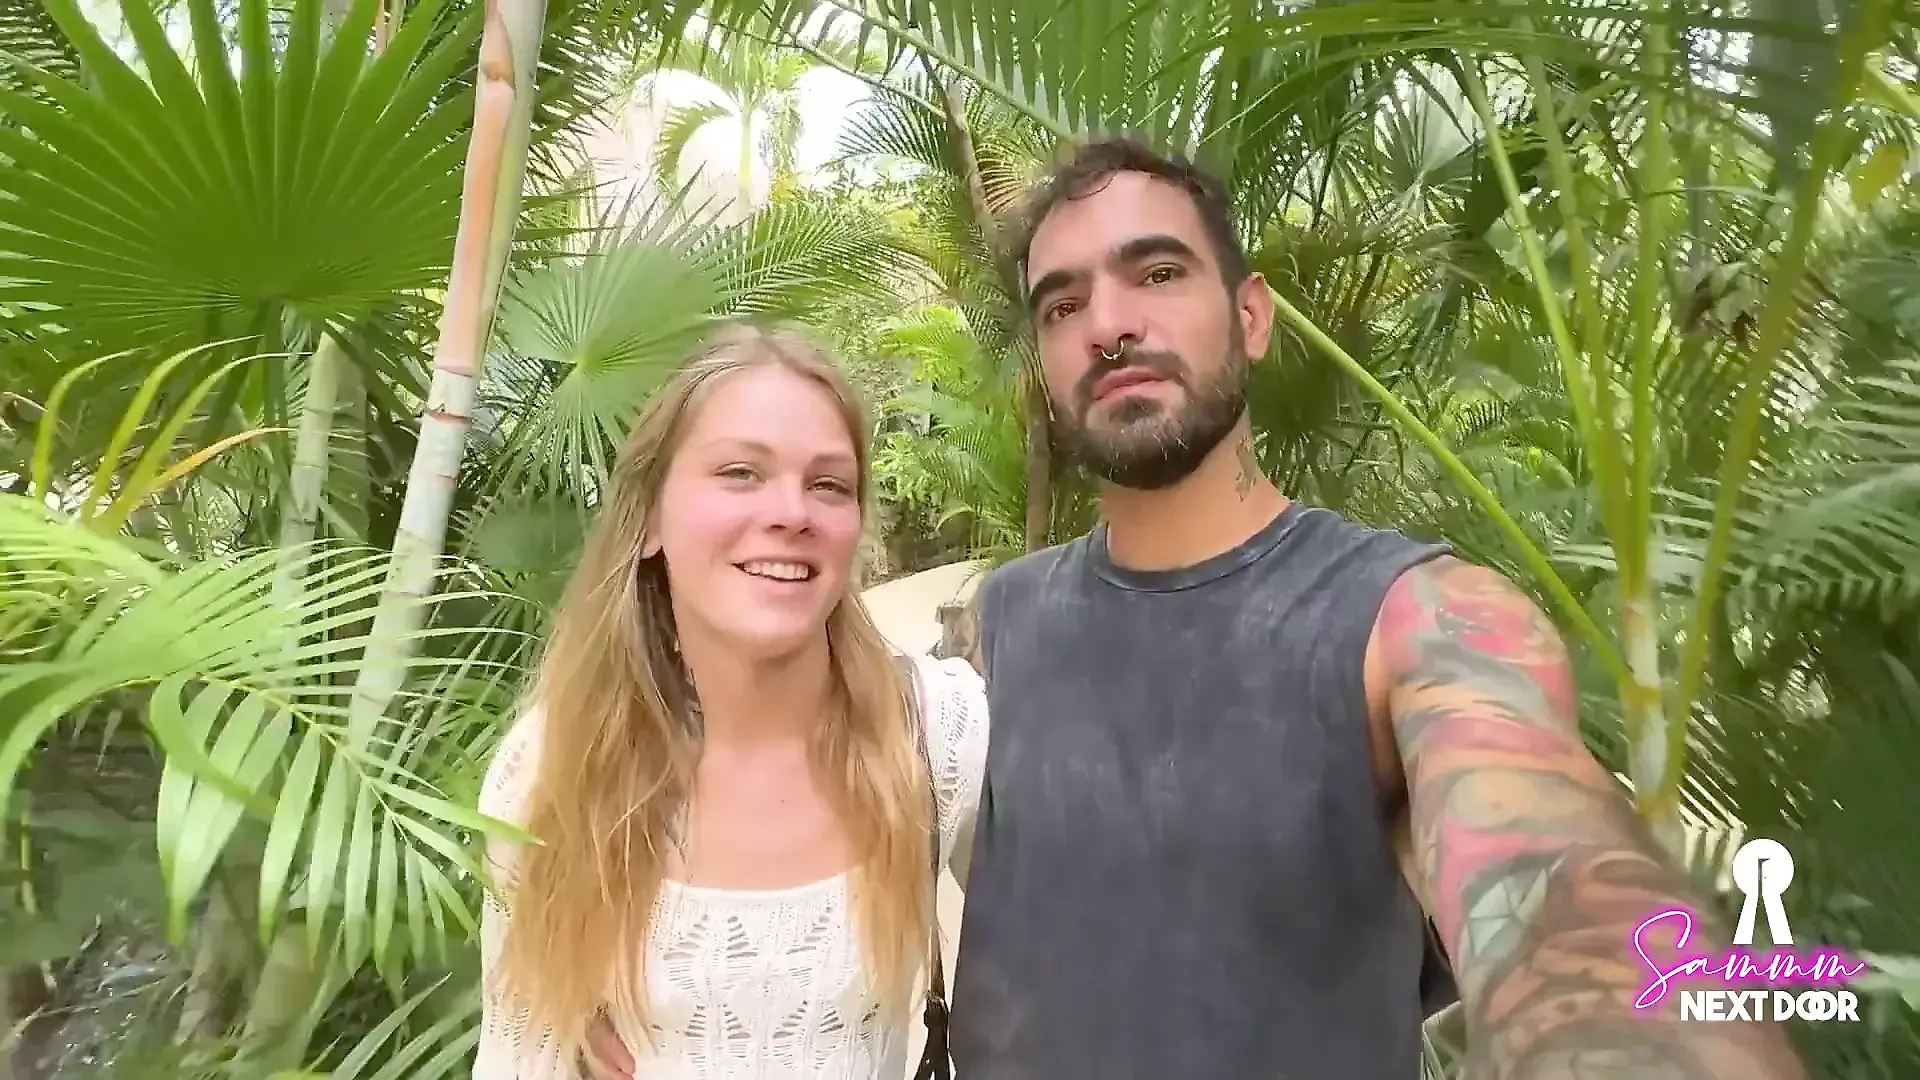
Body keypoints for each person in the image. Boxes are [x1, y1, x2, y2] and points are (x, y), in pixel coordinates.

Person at [946, 135, 1810, 1078]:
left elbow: (1553, 876)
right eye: (1063, 304)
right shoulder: (1007, 618)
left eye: (1157, 272)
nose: (1109, 325)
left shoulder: (1408, 621)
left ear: (1251, 316)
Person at [472, 325, 988, 1079]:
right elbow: (514, 1054)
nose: (792, 512)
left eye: (829, 484)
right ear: (649, 520)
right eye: (741, 472)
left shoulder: (936, 733)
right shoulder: (553, 770)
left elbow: (1078, 963)